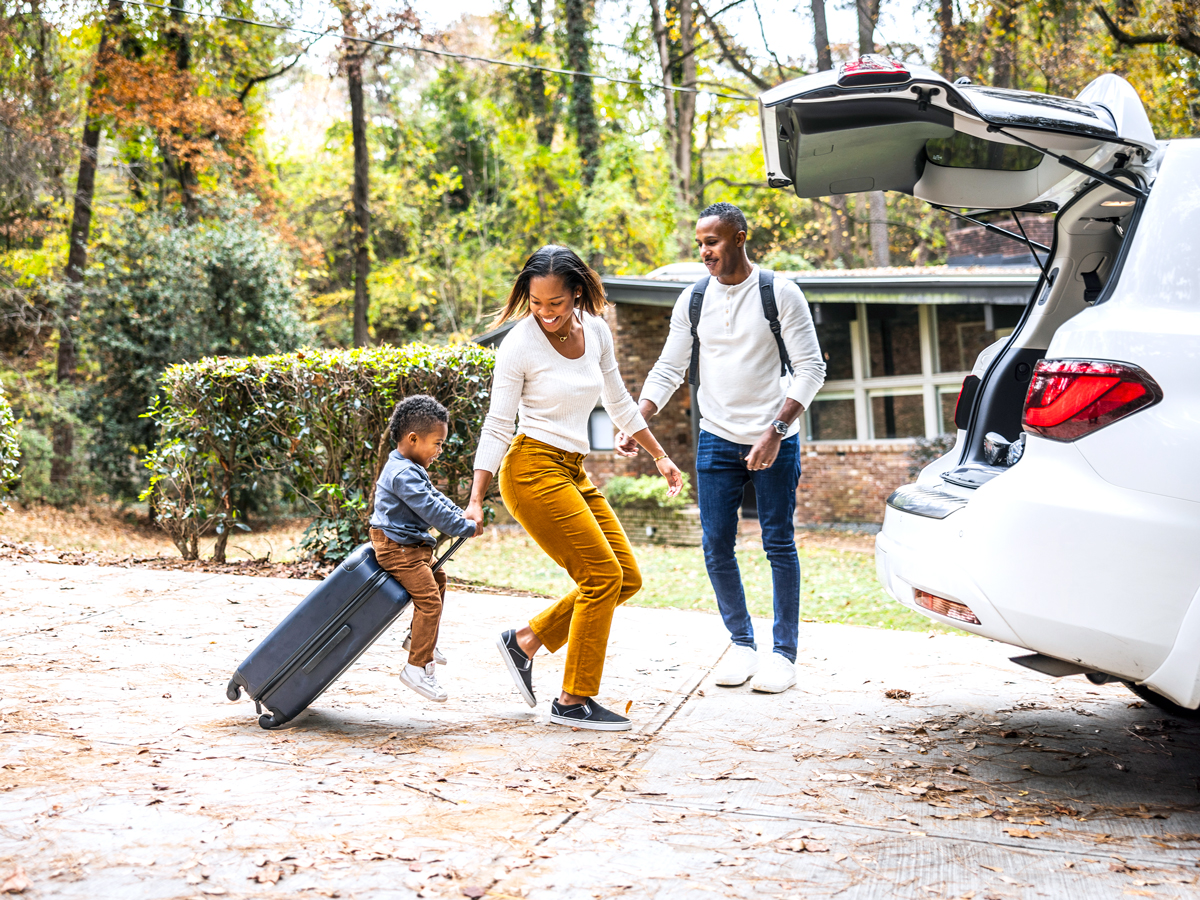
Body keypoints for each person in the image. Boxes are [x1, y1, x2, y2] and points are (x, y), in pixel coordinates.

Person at [464, 245, 683, 732]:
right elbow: (498, 425)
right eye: (536, 303)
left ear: (577, 293)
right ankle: (572, 701)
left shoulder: (598, 331)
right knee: (601, 577)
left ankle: (525, 640)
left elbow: (619, 400)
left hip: (571, 469)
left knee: (625, 576)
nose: (545, 313)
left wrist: (660, 454)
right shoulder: (519, 344)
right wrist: (476, 499)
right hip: (529, 469)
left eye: (556, 303)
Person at [616, 202, 826, 694]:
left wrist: (775, 430)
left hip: (775, 437)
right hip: (715, 438)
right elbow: (668, 370)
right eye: (700, 244)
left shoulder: (780, 293)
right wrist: (635, 419)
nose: (704, 251)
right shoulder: (692, 301)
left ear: (739, 236)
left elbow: (811, 369)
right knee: (715, 546)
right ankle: (742, 643)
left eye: (712, 241)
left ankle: (783, 655)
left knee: (778, 543)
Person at [369, 395, 481, 703]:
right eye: (438, 443)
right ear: (413, 438)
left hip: (408, 547)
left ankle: (419, 640)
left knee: (438, 579)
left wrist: (461, 513)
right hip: (397, 549)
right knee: (429, 601)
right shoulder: (404, 473)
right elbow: (430, 509)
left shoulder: (407, 466)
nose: (440, 451)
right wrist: (464, 526)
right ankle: (417, 666)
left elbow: (435, 497)